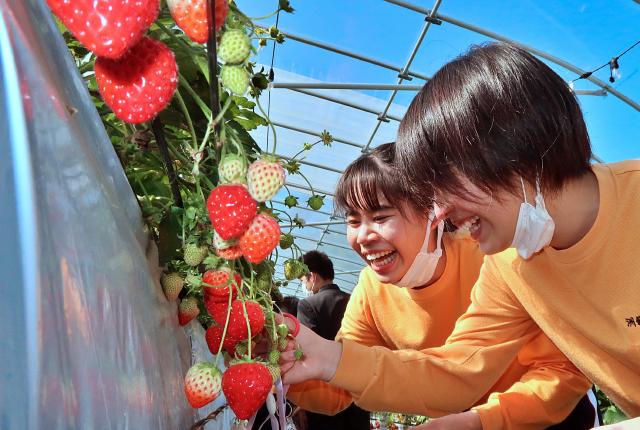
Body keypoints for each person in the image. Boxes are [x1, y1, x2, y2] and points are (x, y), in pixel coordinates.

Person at [279, 43, 640, 428]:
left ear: (503, 150)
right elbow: (461, 368)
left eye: (443, 183)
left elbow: (554, 372)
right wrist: (326, 359)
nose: (441, 211)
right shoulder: (510, 264)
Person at [287, 143, 596, 430]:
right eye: (354, 222)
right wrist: (286, 364)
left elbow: (562, 370)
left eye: (381, 217)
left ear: (433, 211)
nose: (363, 236)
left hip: (548, 420)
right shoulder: (372, 288)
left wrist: (484, 419)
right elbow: (341, 383)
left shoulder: (493, 257)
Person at [295, 250, 370, 430]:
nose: (304, 285)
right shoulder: (353, 300)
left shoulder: (308, 305)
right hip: (358, 394)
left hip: (324, 397)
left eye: (303, 281)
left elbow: (305, 352)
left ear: (312, 277)